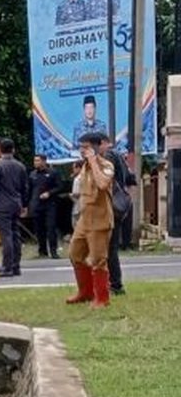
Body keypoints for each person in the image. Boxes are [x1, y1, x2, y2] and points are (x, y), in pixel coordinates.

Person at [66, 132, 116, 307]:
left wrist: (94, 161)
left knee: (98, 259)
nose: (82, 151)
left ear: (96, 147)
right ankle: (85, 292)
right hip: (84, 219)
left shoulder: (106, 165)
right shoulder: (84, 166)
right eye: (81, 147)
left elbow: (102, 184)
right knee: (75, 253)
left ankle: (102, 298)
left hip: (100, 219)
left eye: (86, 147)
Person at [0, 138, 29, 277]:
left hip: (2, 204)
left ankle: (7, 266)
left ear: (1, 150)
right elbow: (25, 187)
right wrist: (24, 204)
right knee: (16, 234)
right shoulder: (20, 166)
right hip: (16, 203)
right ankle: (16, 266)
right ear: (13, 150)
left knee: (6, 236)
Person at [97, 134, 128, 294]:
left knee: (109, 248)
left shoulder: (108, 157)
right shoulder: (119, 155)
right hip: (120, 204)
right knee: (112, 247)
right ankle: (115, 284)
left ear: (103, 143)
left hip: (110, 205)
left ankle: (115, 284)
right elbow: (130, 178)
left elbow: (102, 181)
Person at [28, 154, 61, 258]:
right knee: (39, 229)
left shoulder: (52, 173)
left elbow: (60, 186)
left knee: (51, 228)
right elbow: (29, 190)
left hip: (50, 205)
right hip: (36, 205)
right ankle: (42, 251)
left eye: (38, 161)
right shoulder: (32, 174)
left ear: (44, 161)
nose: (36, 163)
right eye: (35, 161)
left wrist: (49, 193)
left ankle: (53, 251)